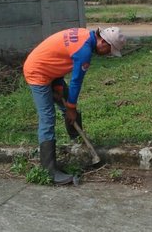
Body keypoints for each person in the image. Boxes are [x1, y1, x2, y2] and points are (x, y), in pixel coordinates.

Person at [22, 26, 125, 184]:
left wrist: (57, 87)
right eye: (109, 51)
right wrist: (70, 108)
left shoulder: (84, 35)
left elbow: (59, 57)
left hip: (50, 70)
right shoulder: (84, 51)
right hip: (38, 71)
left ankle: (79, 145)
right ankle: (48, 171)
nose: (107, 55)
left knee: (67, 103)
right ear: (104, 42)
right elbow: (76, 81)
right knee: (48, 118)